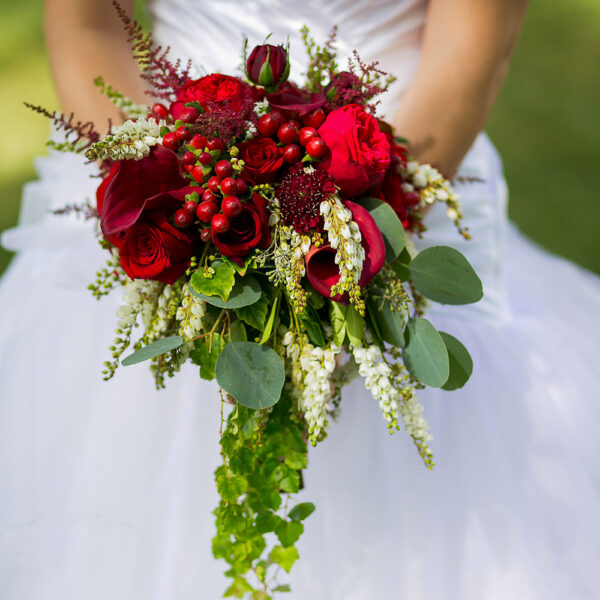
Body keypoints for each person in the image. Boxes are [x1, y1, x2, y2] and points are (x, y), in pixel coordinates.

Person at [1, 0, 599, 598]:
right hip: (175, 170)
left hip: (401, 163)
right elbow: (86, 23)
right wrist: (153, 195)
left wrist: (349, 228)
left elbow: (474, 47)